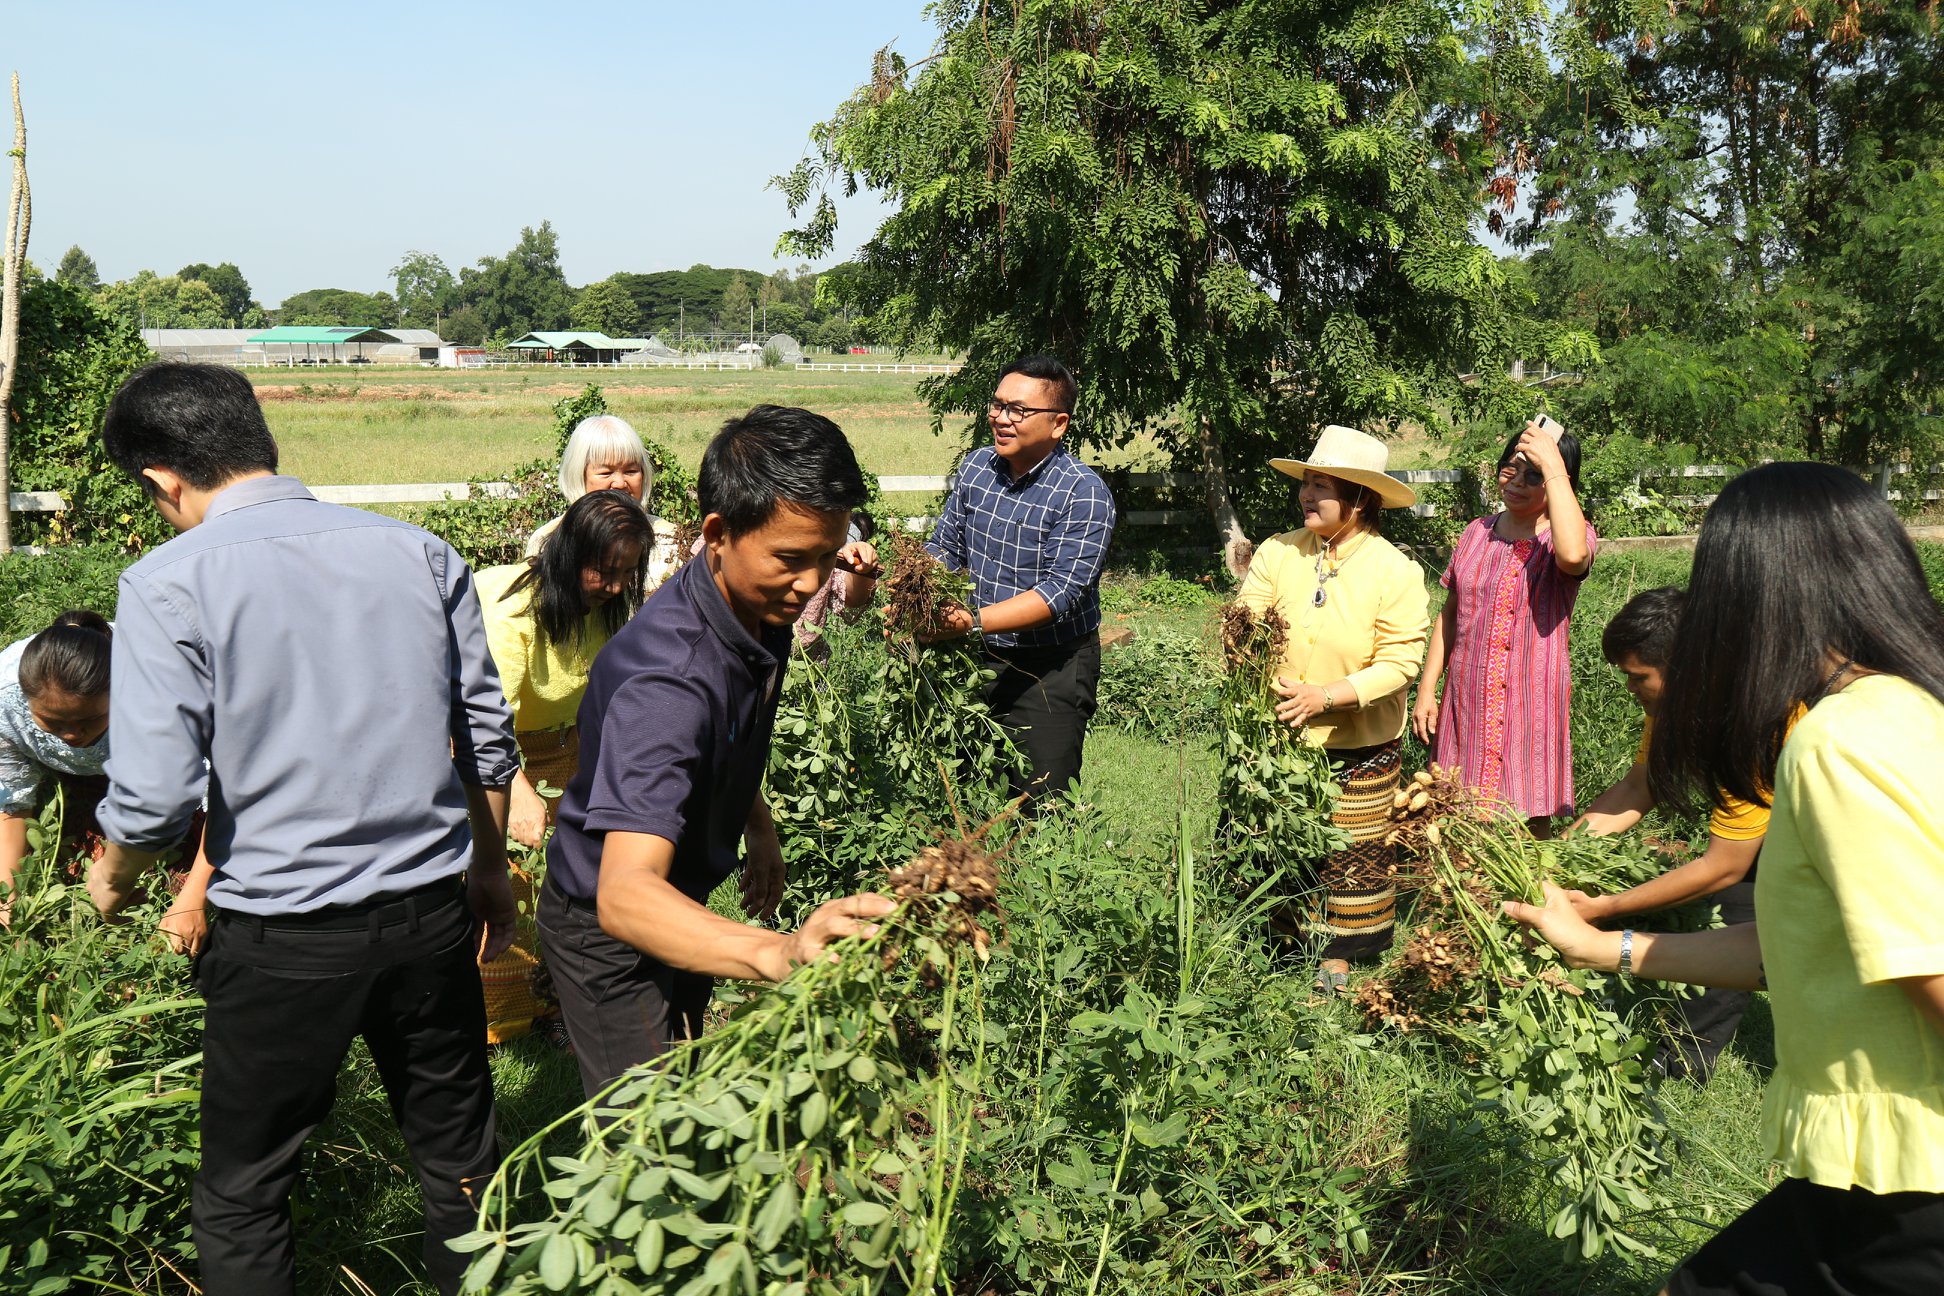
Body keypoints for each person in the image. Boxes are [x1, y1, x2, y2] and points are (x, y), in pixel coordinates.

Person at [86, 362, 520, 1296]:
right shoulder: (421, 553)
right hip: (429, 920)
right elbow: (484, 736)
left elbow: (157, 799)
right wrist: (490, 869)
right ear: (260, 439)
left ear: (163, 481)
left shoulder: (168, 583)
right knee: (462, 1163)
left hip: (281, 938)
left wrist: (113, 878)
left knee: (245, 1192)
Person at [1507, 462, 1944, 1296]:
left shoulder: (1836, 746)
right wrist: (1603, 947)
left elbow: (1930, 966)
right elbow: (1797, 950)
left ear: (1754, 593)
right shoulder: (1907, 708)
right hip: (1875, 1163)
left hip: (1913, 1179)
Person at [538, 404, 896, 1101]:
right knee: (644, 1138)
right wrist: (781, 952)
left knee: (681, 1083)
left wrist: (756, 825)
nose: (812, 582)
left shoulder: (755, 609)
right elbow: (624, 896)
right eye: (792, 559)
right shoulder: (667, 681)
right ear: (717, 534)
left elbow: (722, 740)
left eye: (827, 557)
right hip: (610, 931)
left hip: (684, 894)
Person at [1236, 425, 1430, 993]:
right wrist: (1259, 670)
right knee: (1279, 841)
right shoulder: (1278, 551)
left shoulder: (1395, 570)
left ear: (1360, 499)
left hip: (1358, 741)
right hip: (1279, 735)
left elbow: (1399, 664)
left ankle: (1339, 962)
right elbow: (1248, 621)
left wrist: (1325, 695)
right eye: (1306, 483)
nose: (1306, 495)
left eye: (1322, 486)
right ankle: (1276, 950)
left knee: (1351, 852)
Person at [1566, 586, 1776, 1082]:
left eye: (1638, 676)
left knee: (1741, 904)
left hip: (1835, 828)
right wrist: (1560, 854)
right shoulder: (1672, 708)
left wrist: (1604, 908)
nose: (1630, 688)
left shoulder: (1745, 717)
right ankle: (1688, 1059)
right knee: (1736, 912)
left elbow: (1724, 864)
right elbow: (1642, 785)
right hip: (1773, 822)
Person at [476, 490, 653, 1044]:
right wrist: (519, 788)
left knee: (574, 873)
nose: (617, 587)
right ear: (569, 558)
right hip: (491, 747)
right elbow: (484, 719)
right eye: (604, 572)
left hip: (566, 740)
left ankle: (557, 1007)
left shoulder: (608, 607)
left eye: (627, 572)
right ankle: (501, 1021)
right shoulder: (513, 611)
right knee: (514, 878)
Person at [923, 354, 1117, 807]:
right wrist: (918, 592)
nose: (1001, 418)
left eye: (1019, 410)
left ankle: (1036, 877)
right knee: (957, 789)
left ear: (1058, 424)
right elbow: (947, 547)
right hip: (975, 654)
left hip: (1050, 667)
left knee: (1041, 803)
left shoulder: (1082, 493)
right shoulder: (977, 467)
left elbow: (1059, 594)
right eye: (996, 404)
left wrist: (968, 622)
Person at [1414, 419, 1595, 835]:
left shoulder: (1567, 536)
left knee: (1527, 821)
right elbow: (1450, 614)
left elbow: (1572, 557)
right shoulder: (1476, 533)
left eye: (1535, 475)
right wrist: (1428, 689)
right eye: (1511, 468)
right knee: (1458, 814)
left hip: (1529, 704)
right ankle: (1467, 896)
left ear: (1559, 481)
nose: (1517, 482)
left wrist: (1553, 465)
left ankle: (1531, 896)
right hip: (1468, 696)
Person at [0, 611, 214, 942]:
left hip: (164, 775)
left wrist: (193, 898)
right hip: (74, 779)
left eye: (89, 719)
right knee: (73, 872)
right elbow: (13, 802)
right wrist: (7, 898)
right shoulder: (4, 699)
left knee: (175, 879)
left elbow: (222, 793)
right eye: (52, 722)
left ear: (121, 694)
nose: (71, 735)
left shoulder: (162, 695)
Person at [526, 413, 680, 584]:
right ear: (579, 475)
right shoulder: (548, 539)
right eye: (606, 473)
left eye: (631, 471)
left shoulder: (669, 539)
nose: (620, 484)